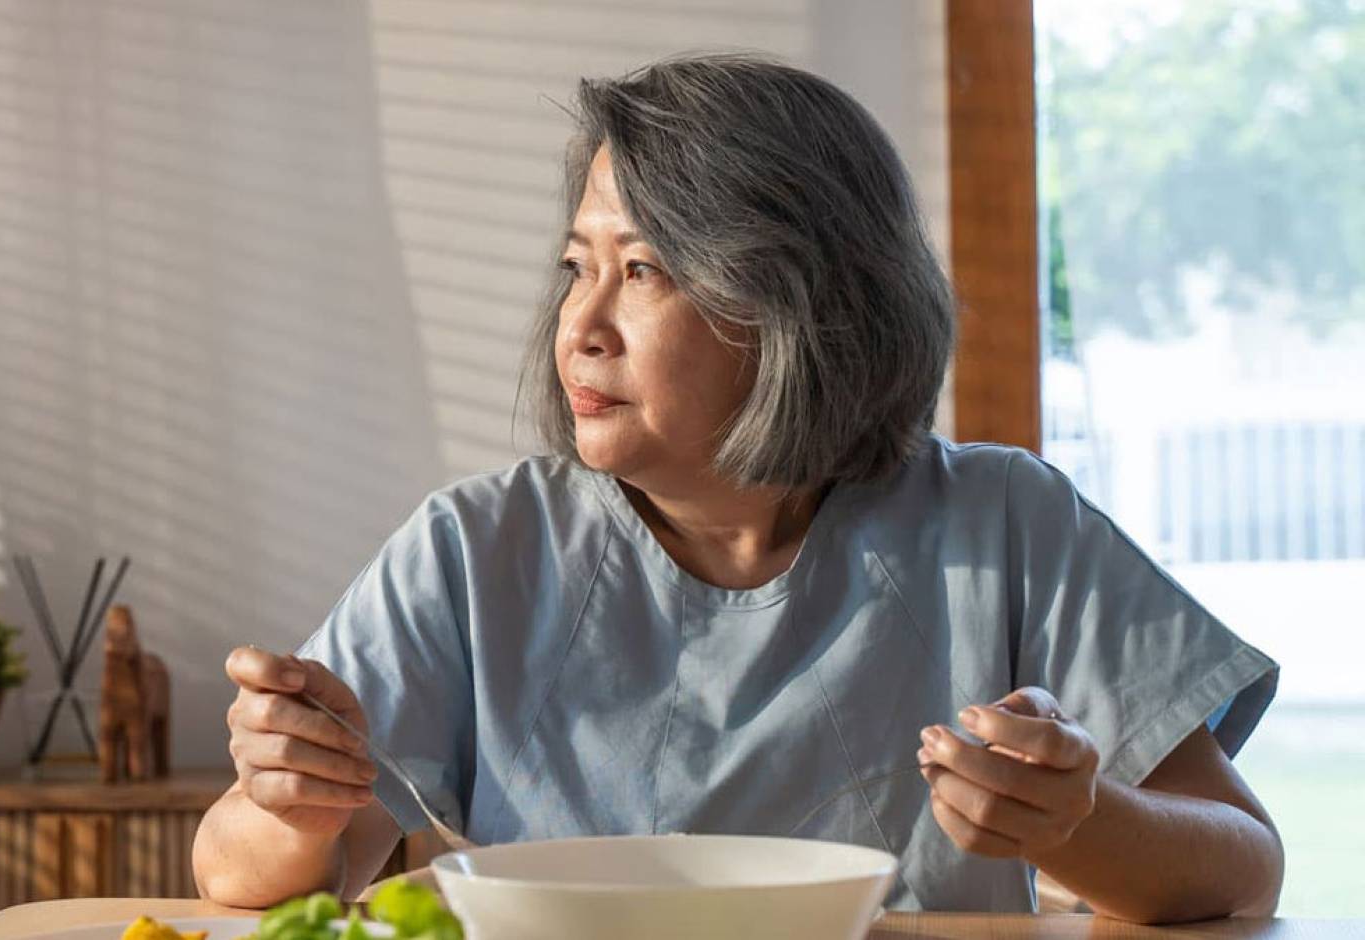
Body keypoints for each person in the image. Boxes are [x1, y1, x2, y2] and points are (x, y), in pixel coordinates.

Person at [192, 53, 1282, 922]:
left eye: (646, 270)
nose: (581, 324)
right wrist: (291, 803)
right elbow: (238, 881)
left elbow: (1244, 868)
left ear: (797, 306)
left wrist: (1075, 822)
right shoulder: (474, 548)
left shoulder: (1006, 522)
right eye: (579, 266)